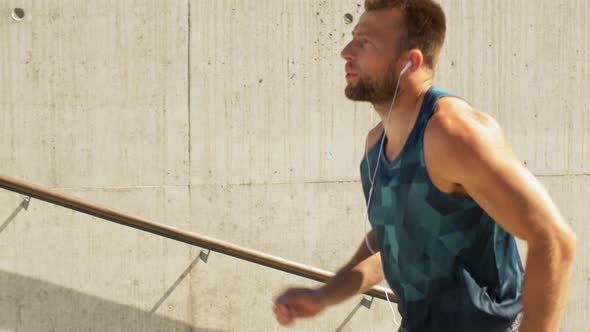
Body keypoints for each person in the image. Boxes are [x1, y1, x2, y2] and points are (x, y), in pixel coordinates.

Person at [273, 1, 577, 331]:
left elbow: (554, 240)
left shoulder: (453, 133)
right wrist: (325, 296)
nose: (346, 52)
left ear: (409, 61)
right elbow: (392, 244)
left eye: (365, 42)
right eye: (352, 38)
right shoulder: (376, 146)